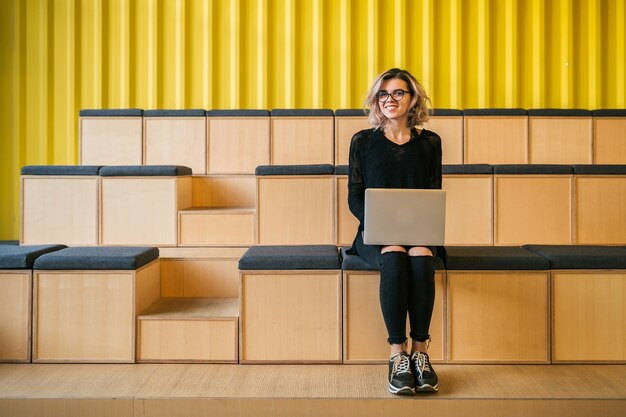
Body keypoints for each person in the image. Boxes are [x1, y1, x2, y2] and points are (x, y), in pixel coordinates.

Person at [347, 68, 442, 395]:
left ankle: (421, 352)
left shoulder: (430, 143)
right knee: (394, 254)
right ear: (376, 99)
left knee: (419, 255)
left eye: (398, 93)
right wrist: (381, 227)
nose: (390, 100)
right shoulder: (362, 141)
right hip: (375, 234)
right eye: (383, 94)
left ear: (413, 98)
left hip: (418, 232)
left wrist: (420, 233)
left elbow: (433, 192)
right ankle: (397, 354)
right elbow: (355, 195)